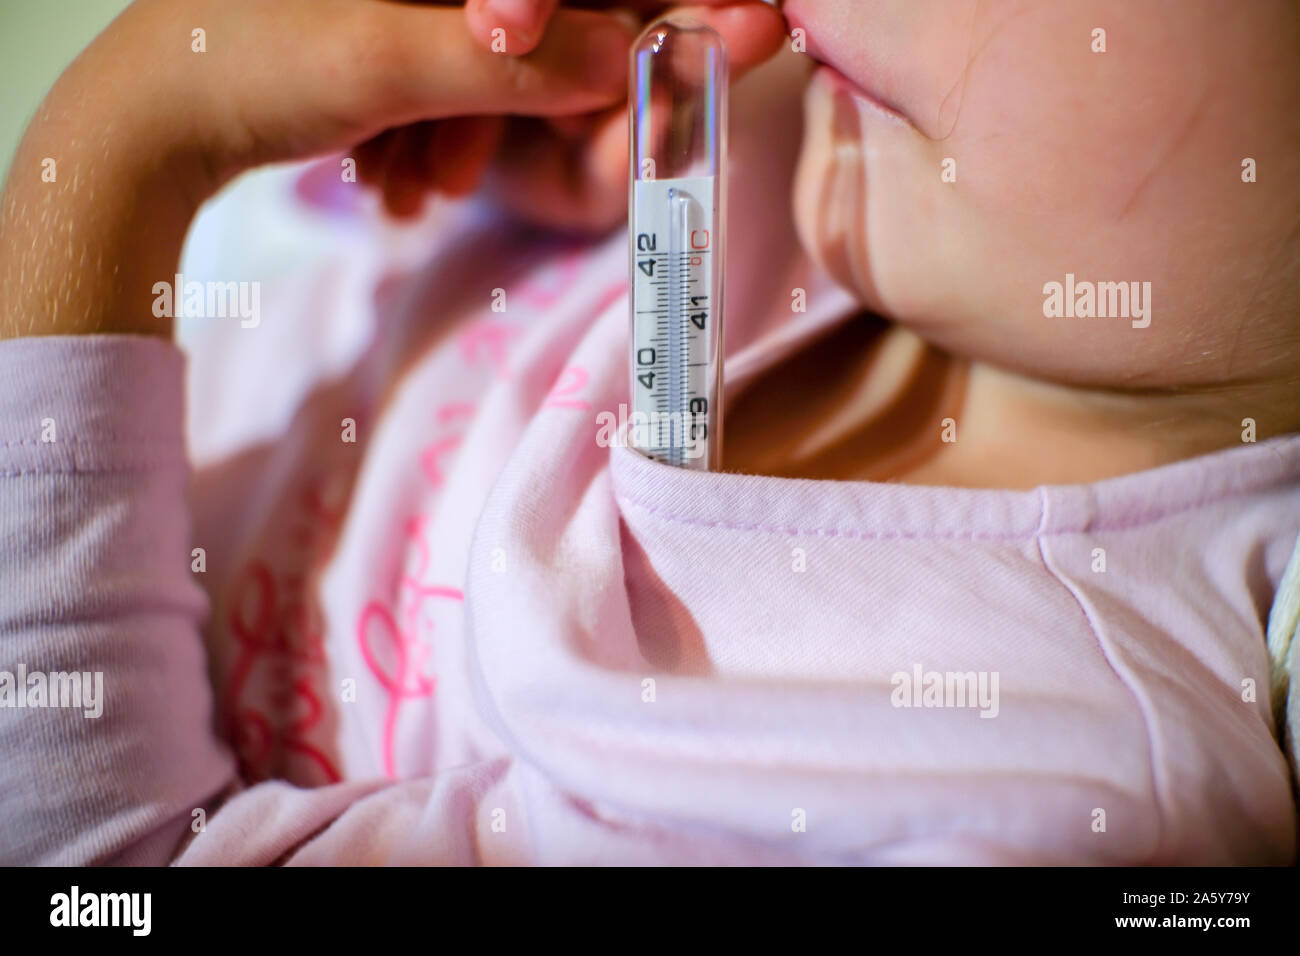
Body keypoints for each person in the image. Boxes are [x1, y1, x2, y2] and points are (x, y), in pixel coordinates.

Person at [0, 0, 1296, 865]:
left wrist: (125, 146)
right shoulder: (835, 141)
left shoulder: (1017, 782)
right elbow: (315, 233)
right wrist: (466, 155)